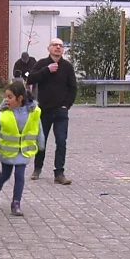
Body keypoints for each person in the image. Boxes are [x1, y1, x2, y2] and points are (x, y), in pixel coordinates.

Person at [0, 81, 45, 216]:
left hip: (23, 151)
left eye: (9, 97)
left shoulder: (33, 111)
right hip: (8, 151)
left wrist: (41, 143)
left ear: (20, 98)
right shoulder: (4, 112)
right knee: (5, 174)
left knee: (19, 175)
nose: (6, 100)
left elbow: (38, 128)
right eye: (6, 96)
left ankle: (16, 203)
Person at [26, 38, 77, 185]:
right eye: (55, 45)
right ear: (49, 48)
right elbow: (31, 79)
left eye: (61, 46)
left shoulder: (67, 67)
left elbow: (73, 88)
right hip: (44, 110)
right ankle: (37, 168)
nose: (58, 48)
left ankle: (59, 173)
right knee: (41, 141)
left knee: (61, 141)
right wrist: (47, 71)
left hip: (61, 111)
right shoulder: (42, 63)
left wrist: (66, 105)